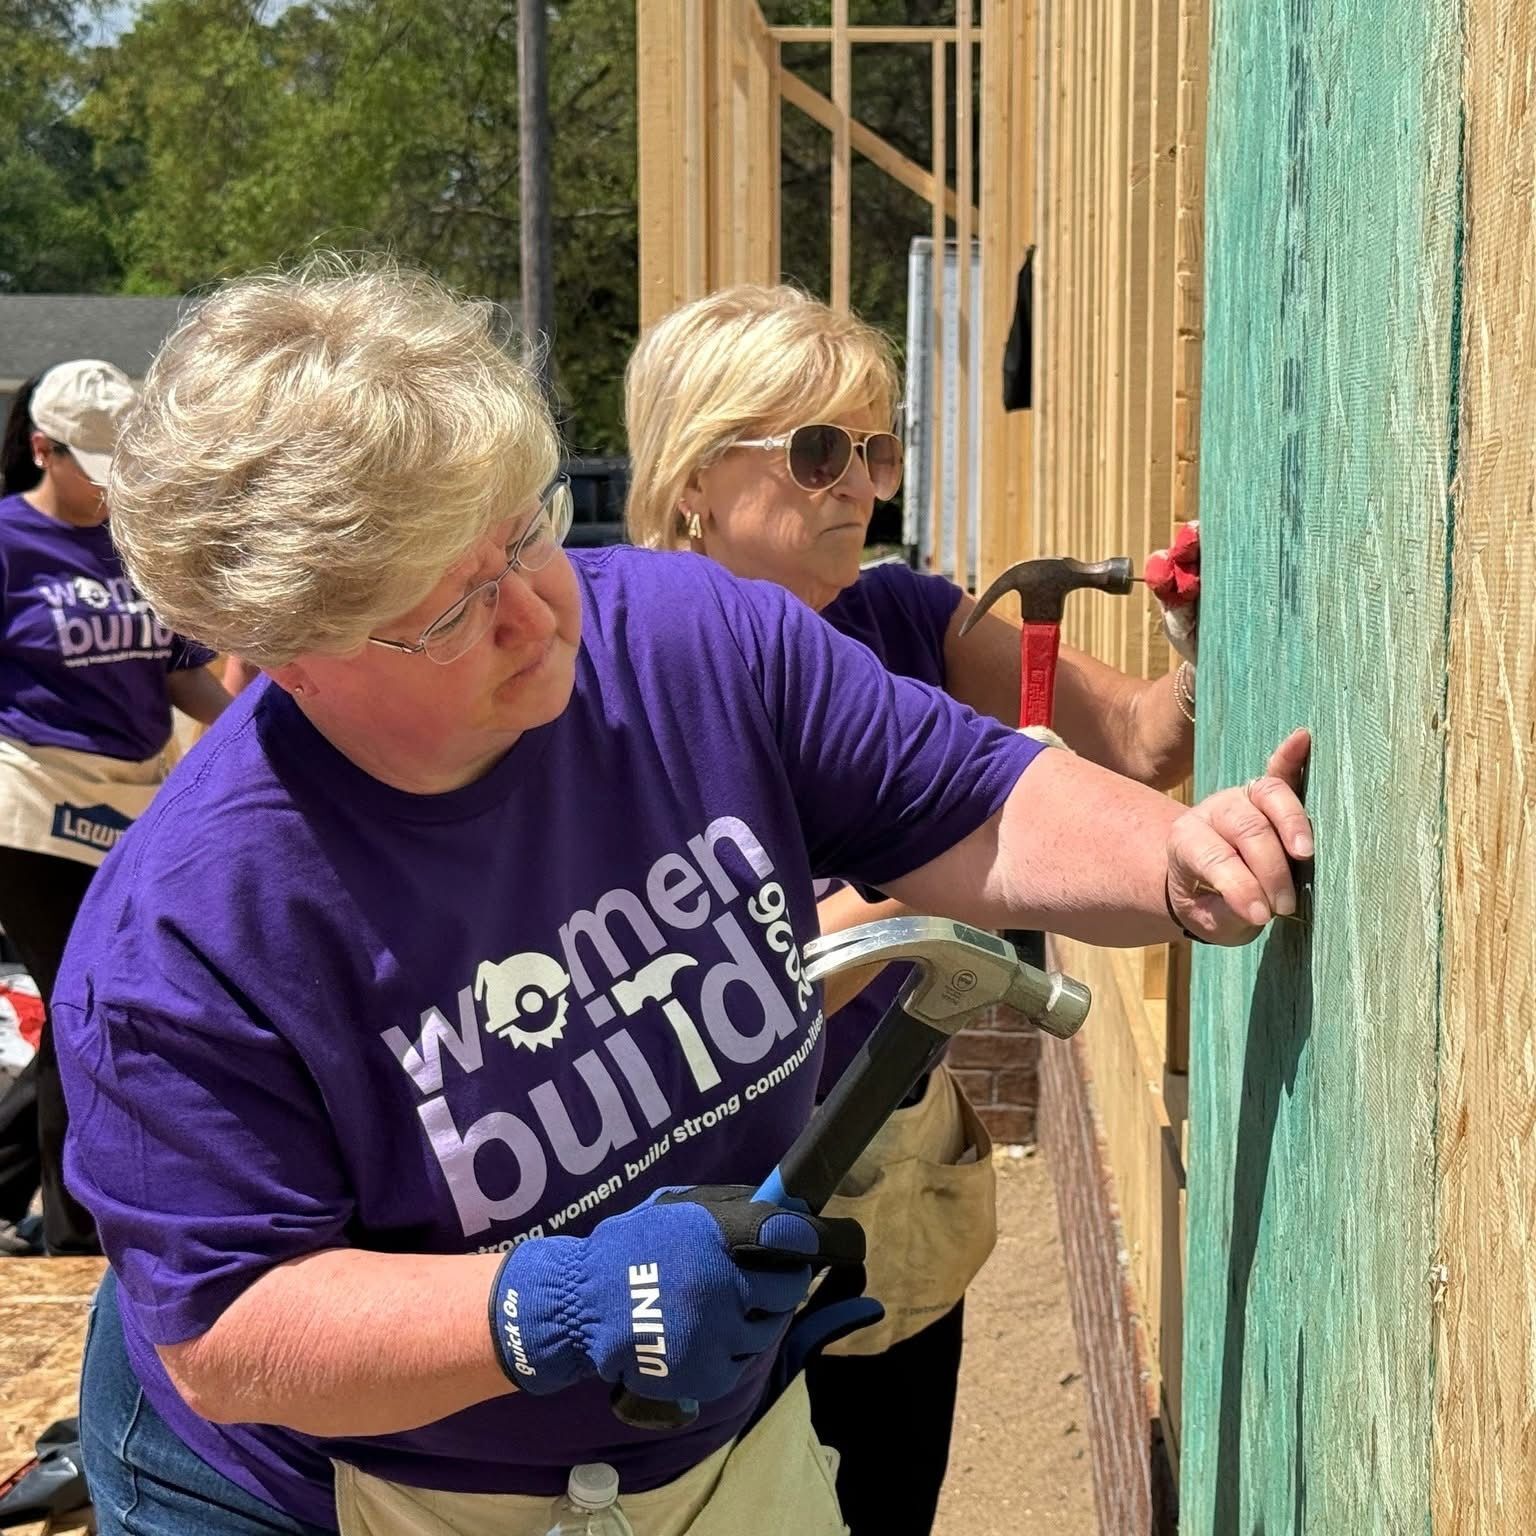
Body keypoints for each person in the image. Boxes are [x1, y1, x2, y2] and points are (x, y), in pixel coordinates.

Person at [54, 257, 1310, 1536]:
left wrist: (1174, 860)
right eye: (452, 610)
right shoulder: (191, 933)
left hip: (684, 1436)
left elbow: (971, 799)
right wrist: (554, 1305)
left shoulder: (688, 641)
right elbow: (233, 1330)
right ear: (289, 656)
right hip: (328, 1485)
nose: (537, 615)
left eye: (525, 535)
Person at [622, 283, 1203, 1536]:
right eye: (817, 453)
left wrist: (1201, 648)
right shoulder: (620, 685)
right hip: (705, 1196)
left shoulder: (905, 619)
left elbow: (1141, 745)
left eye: (876, 452)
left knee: (885, 1505)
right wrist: (967, 849)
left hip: (890, 1180)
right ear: (693, 477)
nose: (860, 488)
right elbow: (706, 993)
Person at [0, 360, 230, 1257]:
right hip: (31, 801)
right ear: (41, 448)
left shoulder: (138, 542)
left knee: (87, 1004)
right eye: (91, 466)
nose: (106, 488)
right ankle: (76, 1232)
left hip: (132, 802)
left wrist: (265, 727)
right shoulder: (9, 542)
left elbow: (181, 671)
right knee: (87, 999)